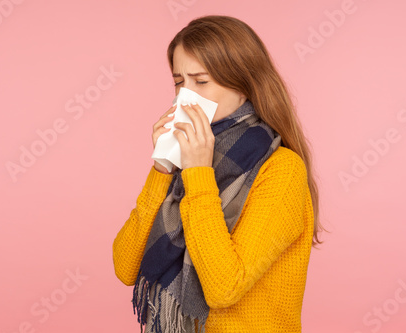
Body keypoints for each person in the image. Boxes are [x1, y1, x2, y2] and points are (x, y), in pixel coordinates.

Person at [113, 15, 324, 333]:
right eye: (179, 82)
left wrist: (198, 171)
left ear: (243, 85)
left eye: (201, 81)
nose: (186, 95)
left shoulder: (283, 171)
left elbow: (223, 287)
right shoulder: (185, 161)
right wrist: (162, 167)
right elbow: (125, 266)